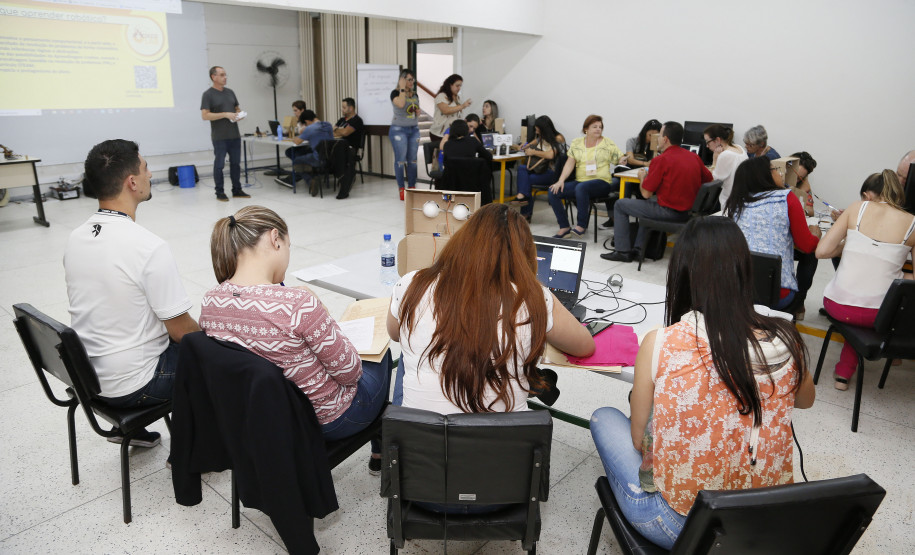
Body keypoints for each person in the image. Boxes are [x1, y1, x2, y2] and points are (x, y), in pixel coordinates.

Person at [590, 216, 814, 550]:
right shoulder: (786, 337)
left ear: (682, 274)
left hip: (680, 526)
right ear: (744, 269)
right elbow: (805, 400)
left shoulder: (662, 341)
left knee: (606, 417)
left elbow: (639, 441)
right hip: (760, 523)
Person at [200, 206, 392, 473]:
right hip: (328, 421)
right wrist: (324, 317)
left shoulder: (210, 301)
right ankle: (381, 445)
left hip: (261, 418)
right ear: (275, 238)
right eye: (289, 246)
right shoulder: (298, 304)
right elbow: (350, 374)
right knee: (380, 350)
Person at [386, 202, 594, 416]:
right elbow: (585, 346)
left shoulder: (412, 283)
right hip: (501, 444)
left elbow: (394, 333)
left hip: (419, 438)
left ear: (463, 242)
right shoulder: (534, 297)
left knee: (412, 348)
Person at [64, 139, 200, 448]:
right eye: (146, 168)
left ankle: (133, 433)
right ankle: (191, 452)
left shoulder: (76, 238)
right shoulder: (148, 246)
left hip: (89, 377)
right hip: (134, 384)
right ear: (132, 182)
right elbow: (182, 333)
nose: (151, 174)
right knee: (213, 354)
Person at [816, 170, 915, 390]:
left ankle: (843, 374)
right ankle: (893, 355)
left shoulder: (855, 208)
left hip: (837, 305)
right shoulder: (912, 223)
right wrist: (896, 275)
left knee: (858, 311)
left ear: (869, 195)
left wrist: (850, 245)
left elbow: (821, 251)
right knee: (885, 307)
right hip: (878, 315)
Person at [602, 122, 712, 263]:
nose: (657, 138)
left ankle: (622, 252)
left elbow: (646, 193)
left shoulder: (660, 160)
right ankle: (638, 249)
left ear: (665, 139)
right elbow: (709, 179)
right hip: (689, 212)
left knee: (620, 204)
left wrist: (642, 178)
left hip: (670, 213)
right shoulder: (694, 157)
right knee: (649, 204)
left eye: (659, 135)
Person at [724, 157, 821, 311]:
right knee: (811, 255)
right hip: (776, 295)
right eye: (775, 169)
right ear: (764, 175)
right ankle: (797, 306)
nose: (780, 174)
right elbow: (807, 245)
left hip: (737, 291)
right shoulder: (786, 198)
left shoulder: (736, 203)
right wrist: (816, 235)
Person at [548, 114, 622, 238]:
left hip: (602, 182)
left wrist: (622, 159)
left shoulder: (607, 143)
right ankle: (564, 226)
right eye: (595, 127)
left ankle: (581, 225)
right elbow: (570, 163)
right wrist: (560, 181)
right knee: (553, 191)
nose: (598, 129)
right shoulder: (577, 143)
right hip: (581, 181)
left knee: (581, 188)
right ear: (586, 129)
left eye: (600, 127)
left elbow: (618, 158)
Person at [200, 66, 250, 201]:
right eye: (222, 75)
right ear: (213, 77)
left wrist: (239, 114)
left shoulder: (230, 92)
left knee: (235, 164)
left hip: (234, 135)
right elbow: (205, 116)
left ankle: (237, 189)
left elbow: (237, 109)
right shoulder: (208, 94)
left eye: (225, 75)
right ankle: (220, 192)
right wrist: (225, 114)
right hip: (219, 137)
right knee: (219, 165)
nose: (225, 77)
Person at [511, 115, 566, 220]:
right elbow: (529, 145)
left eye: (537, 129)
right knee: (522, 168)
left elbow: (550, 155)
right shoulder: (541, 138)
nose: (536, 132)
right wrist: (523, 146)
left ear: (543, 129)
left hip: (552, 173)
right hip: (541, 170)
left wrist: (533, 152)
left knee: (527, 180)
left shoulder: (558, 138)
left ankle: (524, 211)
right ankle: (522, 198)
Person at [275, 110, 333, 191]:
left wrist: (298, 136)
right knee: (300, 155)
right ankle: (309, 175)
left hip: (318, 158)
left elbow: (297, 141)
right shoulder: (328, 125)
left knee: (296, 161)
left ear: (306, 121)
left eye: (305, 124)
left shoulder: (310, 128)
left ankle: (310, 181)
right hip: (331, 157)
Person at [389, 69, 421, 200]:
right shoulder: (395, 93)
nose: (411, 82)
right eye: (409, 79)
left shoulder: (415, 95)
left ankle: (412, 187)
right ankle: (402, 189)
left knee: (412, 161)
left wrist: (417, 112)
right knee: (400, 161)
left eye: (412, 79)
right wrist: (402, 88)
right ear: (402, 80)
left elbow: (416, 110)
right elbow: (401, 104)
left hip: (414, 129)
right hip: (399, 130)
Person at [704, 123, 748, 208]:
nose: (706, 146)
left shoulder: (725, 155)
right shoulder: (739, 147)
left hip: (729, 203)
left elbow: (712, 181)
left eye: (708, 142)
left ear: (717, 140)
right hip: (741, 200)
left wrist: (715, 160)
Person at [429, 74, 471, 142]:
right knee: (441, 152)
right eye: (457, 86)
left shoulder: (457, 98)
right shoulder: (441, 96)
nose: (459, 88)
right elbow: (445, 110)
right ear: (450, 85)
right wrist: (462, 106)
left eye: (460, 86)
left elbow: (457, 114)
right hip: (439, 134)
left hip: (452, 133)